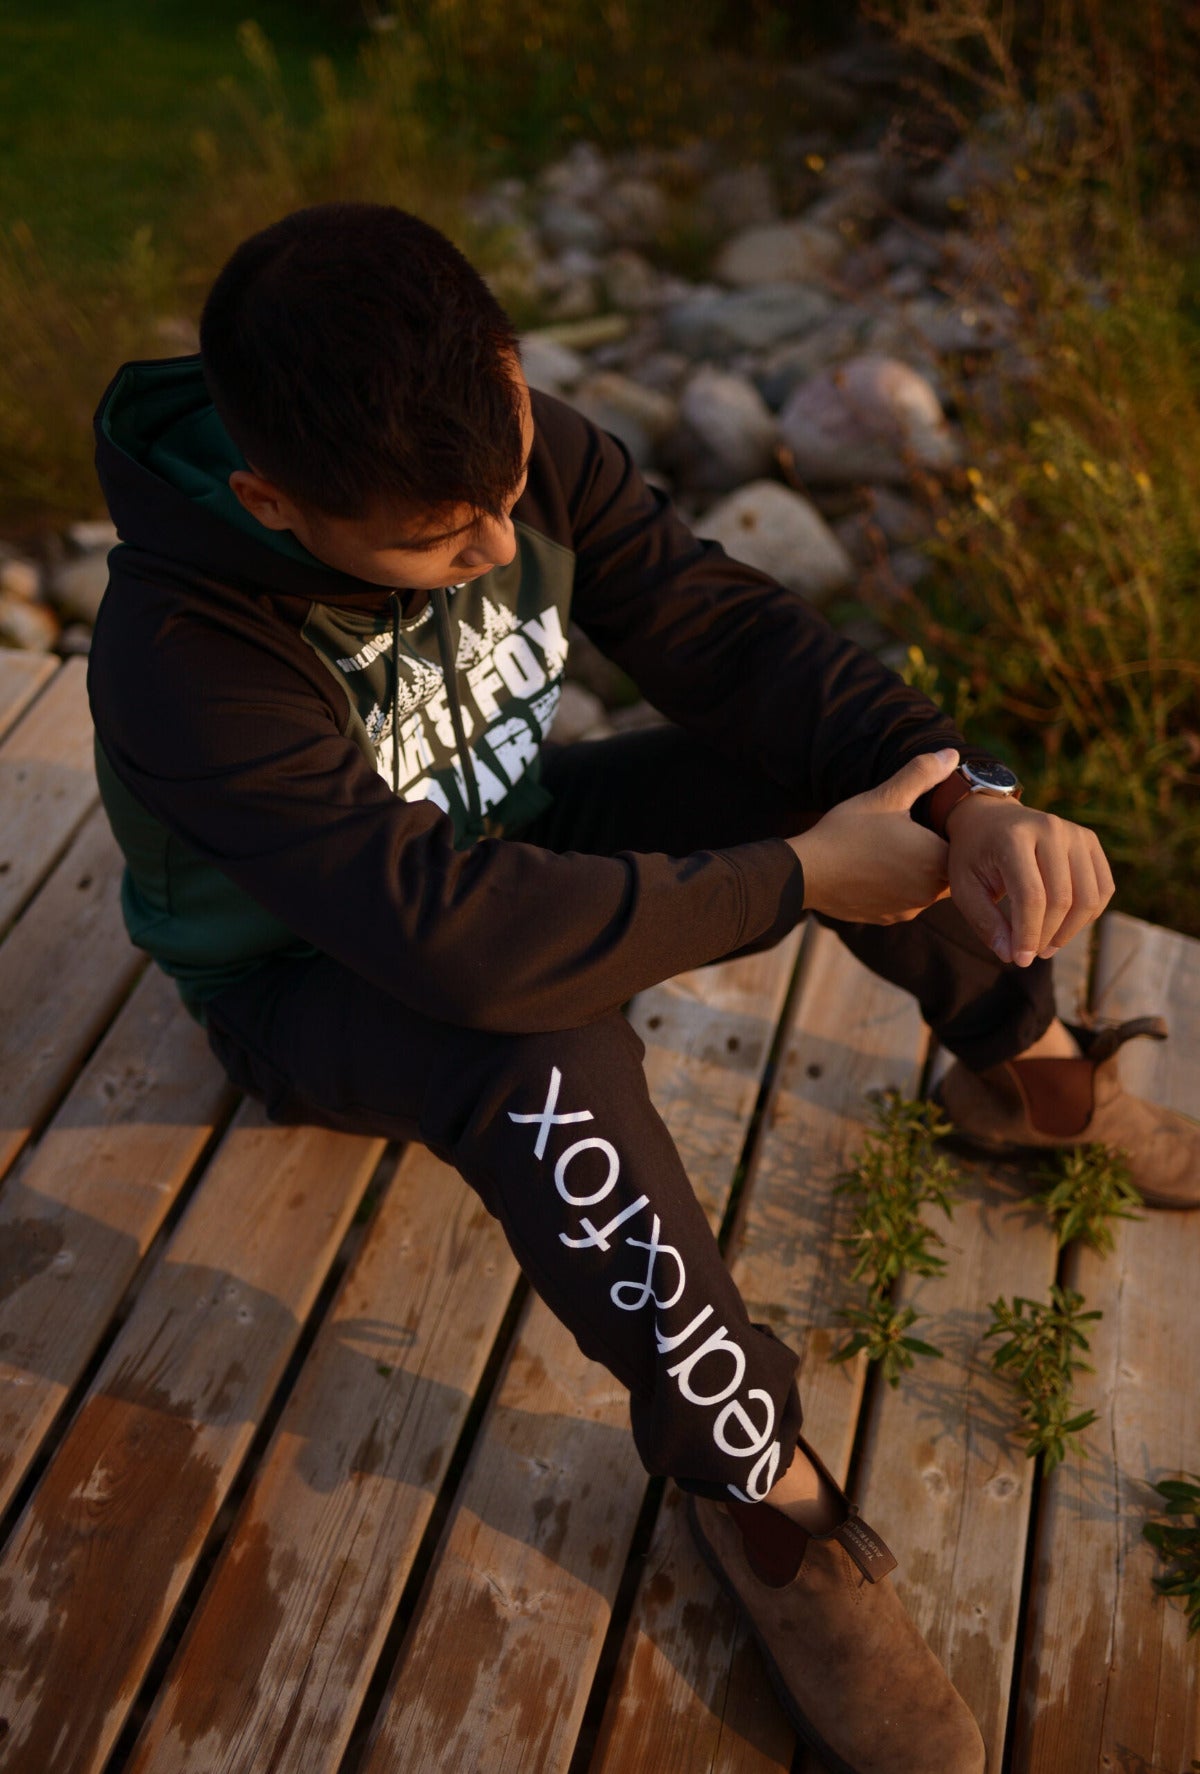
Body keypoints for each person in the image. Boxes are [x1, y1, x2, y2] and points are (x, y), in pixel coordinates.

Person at [86, 201, 1198, 1774]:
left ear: (512, 365)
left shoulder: (509, 445)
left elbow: (726, 633)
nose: (491, 547)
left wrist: (966, 807)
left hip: (502, 841)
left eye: (504, 493)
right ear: (271, 499)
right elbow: (453, 940)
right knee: (534, 1033)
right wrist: (809, 872)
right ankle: (758, 1487)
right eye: (433, 539)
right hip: (310, 974)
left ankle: (1033, 1071)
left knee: (794, 762)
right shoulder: (178, 650)